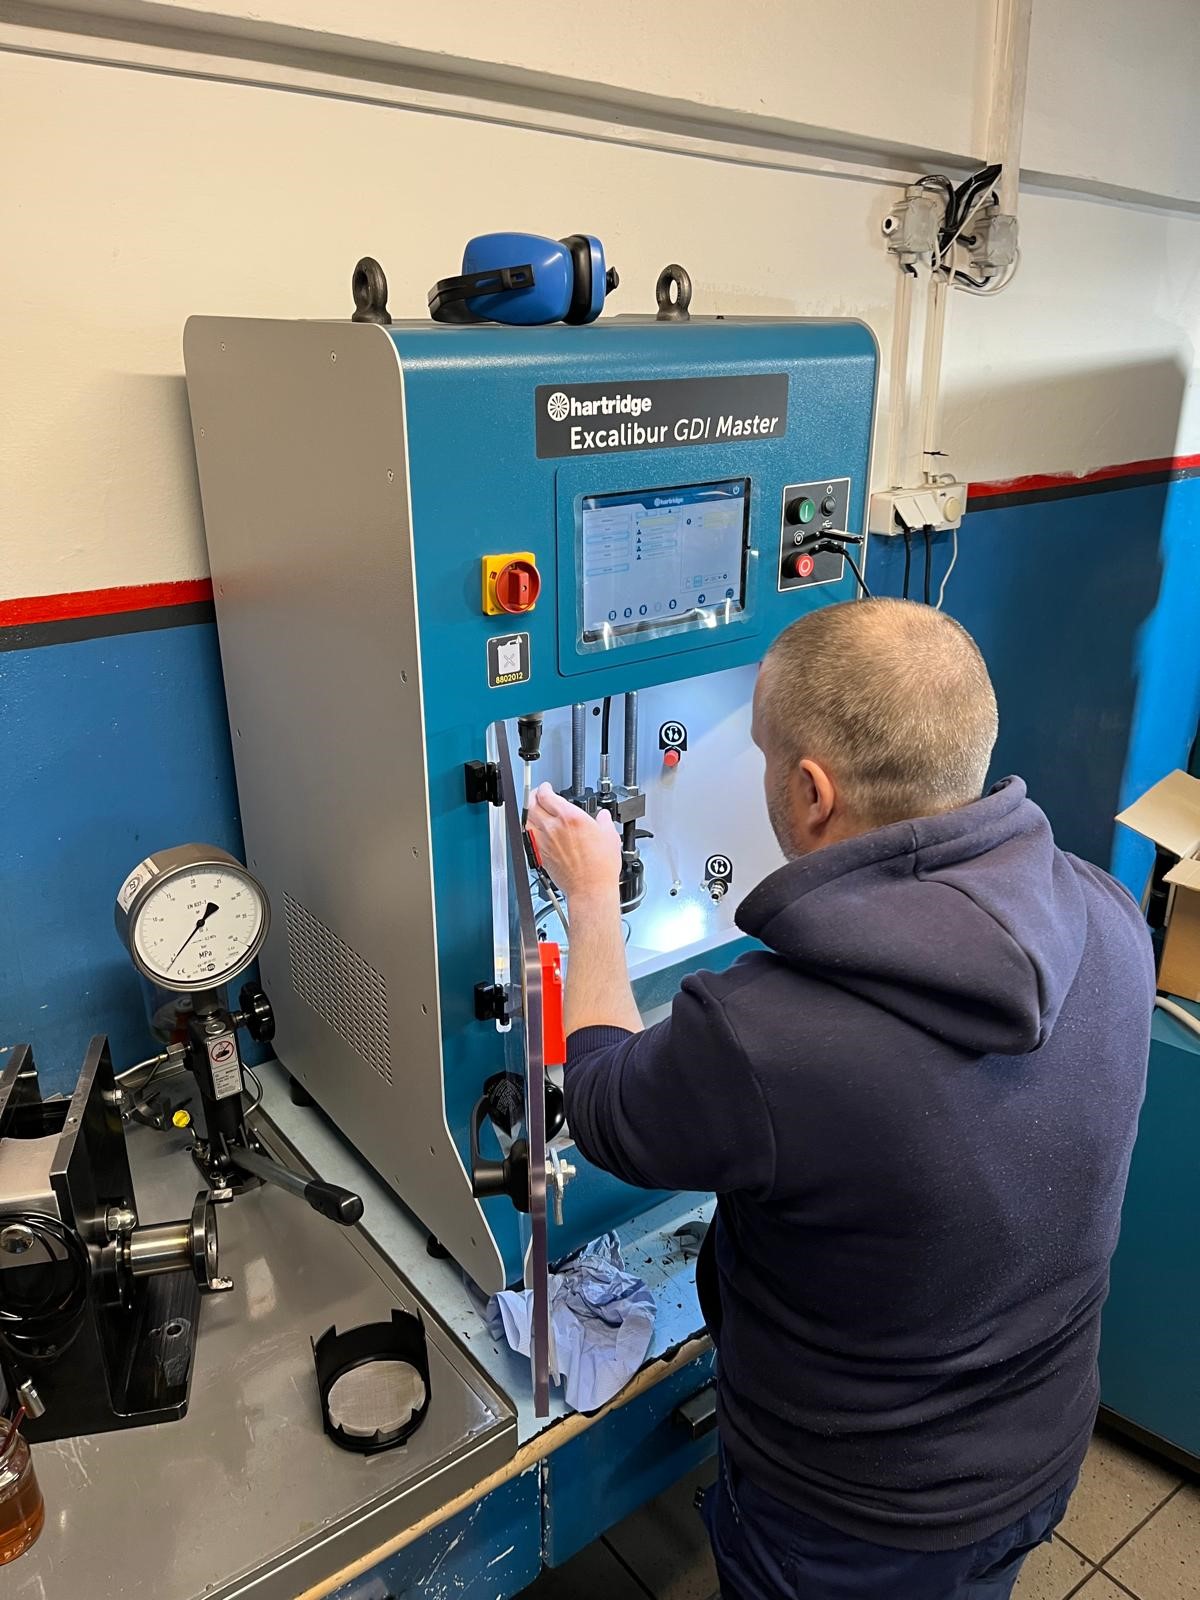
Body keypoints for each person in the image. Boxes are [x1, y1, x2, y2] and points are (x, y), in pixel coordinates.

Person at [526, 598, 1154, 1600]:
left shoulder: (769, 1033)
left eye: (764, 755)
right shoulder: (1105, 912)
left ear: (811, 791)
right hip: (1035, 1450)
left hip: (851, 1517)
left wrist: (591, 898)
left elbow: (601, 1101)